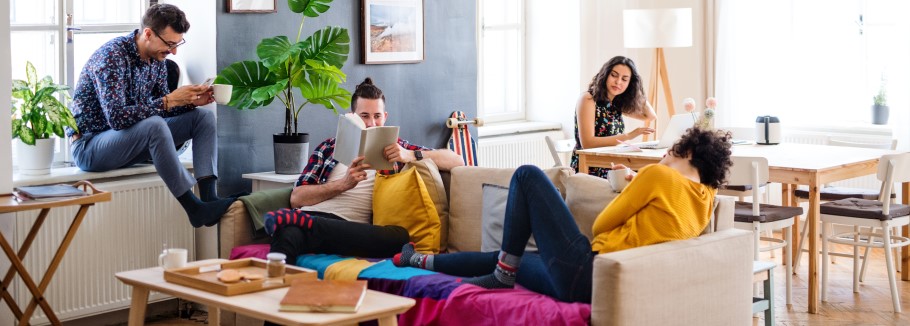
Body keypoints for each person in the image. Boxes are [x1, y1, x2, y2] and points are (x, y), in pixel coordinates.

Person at [393, 128, 733, 303]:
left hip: (588, 270)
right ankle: (419, 261)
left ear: (685, 152)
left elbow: (601, 225)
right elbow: (658, 222)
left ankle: (500, 273)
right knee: (508, 260)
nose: (663, 157)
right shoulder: (706, 200)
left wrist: (639, 179)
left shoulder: (659, 177)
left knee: (527, 175)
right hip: (600, 288)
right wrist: (636, 182)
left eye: (670, 152)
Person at [65, 4, 230, 228]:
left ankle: (209, 198)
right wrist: (170, 100)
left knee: (203, 118)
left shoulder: (157, 60)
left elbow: (161, 107)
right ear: (148, 33)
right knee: (153, 125)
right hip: (90, 145)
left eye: (178, 44)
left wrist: (188, 102)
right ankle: (194, 209)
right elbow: (117, 118)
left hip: (128, 142)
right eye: (170, 44)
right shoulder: (112, 57)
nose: (174, 52)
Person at [265, 78, 465, 260]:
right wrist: (343, 184)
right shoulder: (329, 148)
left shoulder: (398, 149)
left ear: (385, 117)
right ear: (353, 117)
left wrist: (410, 155)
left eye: (377, 116)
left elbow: (456, 160)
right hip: (312, 215)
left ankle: (299, 221)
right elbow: (297, 198)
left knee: (399, 238)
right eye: (364, 116)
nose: (371, 123)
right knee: (287, 233)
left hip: (353, 231)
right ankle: (272, 288)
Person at [571, 56, 657, 178]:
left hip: (612, 165)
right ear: (605, 75)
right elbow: (588, 143)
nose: (618, 82)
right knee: (644, 180)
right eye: (614, 75)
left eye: (624, 79)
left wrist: (635, 89)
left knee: (651, 175)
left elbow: (650, 115)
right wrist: (628, 136)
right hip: (590, 167)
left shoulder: (616, 104)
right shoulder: (588, 99)